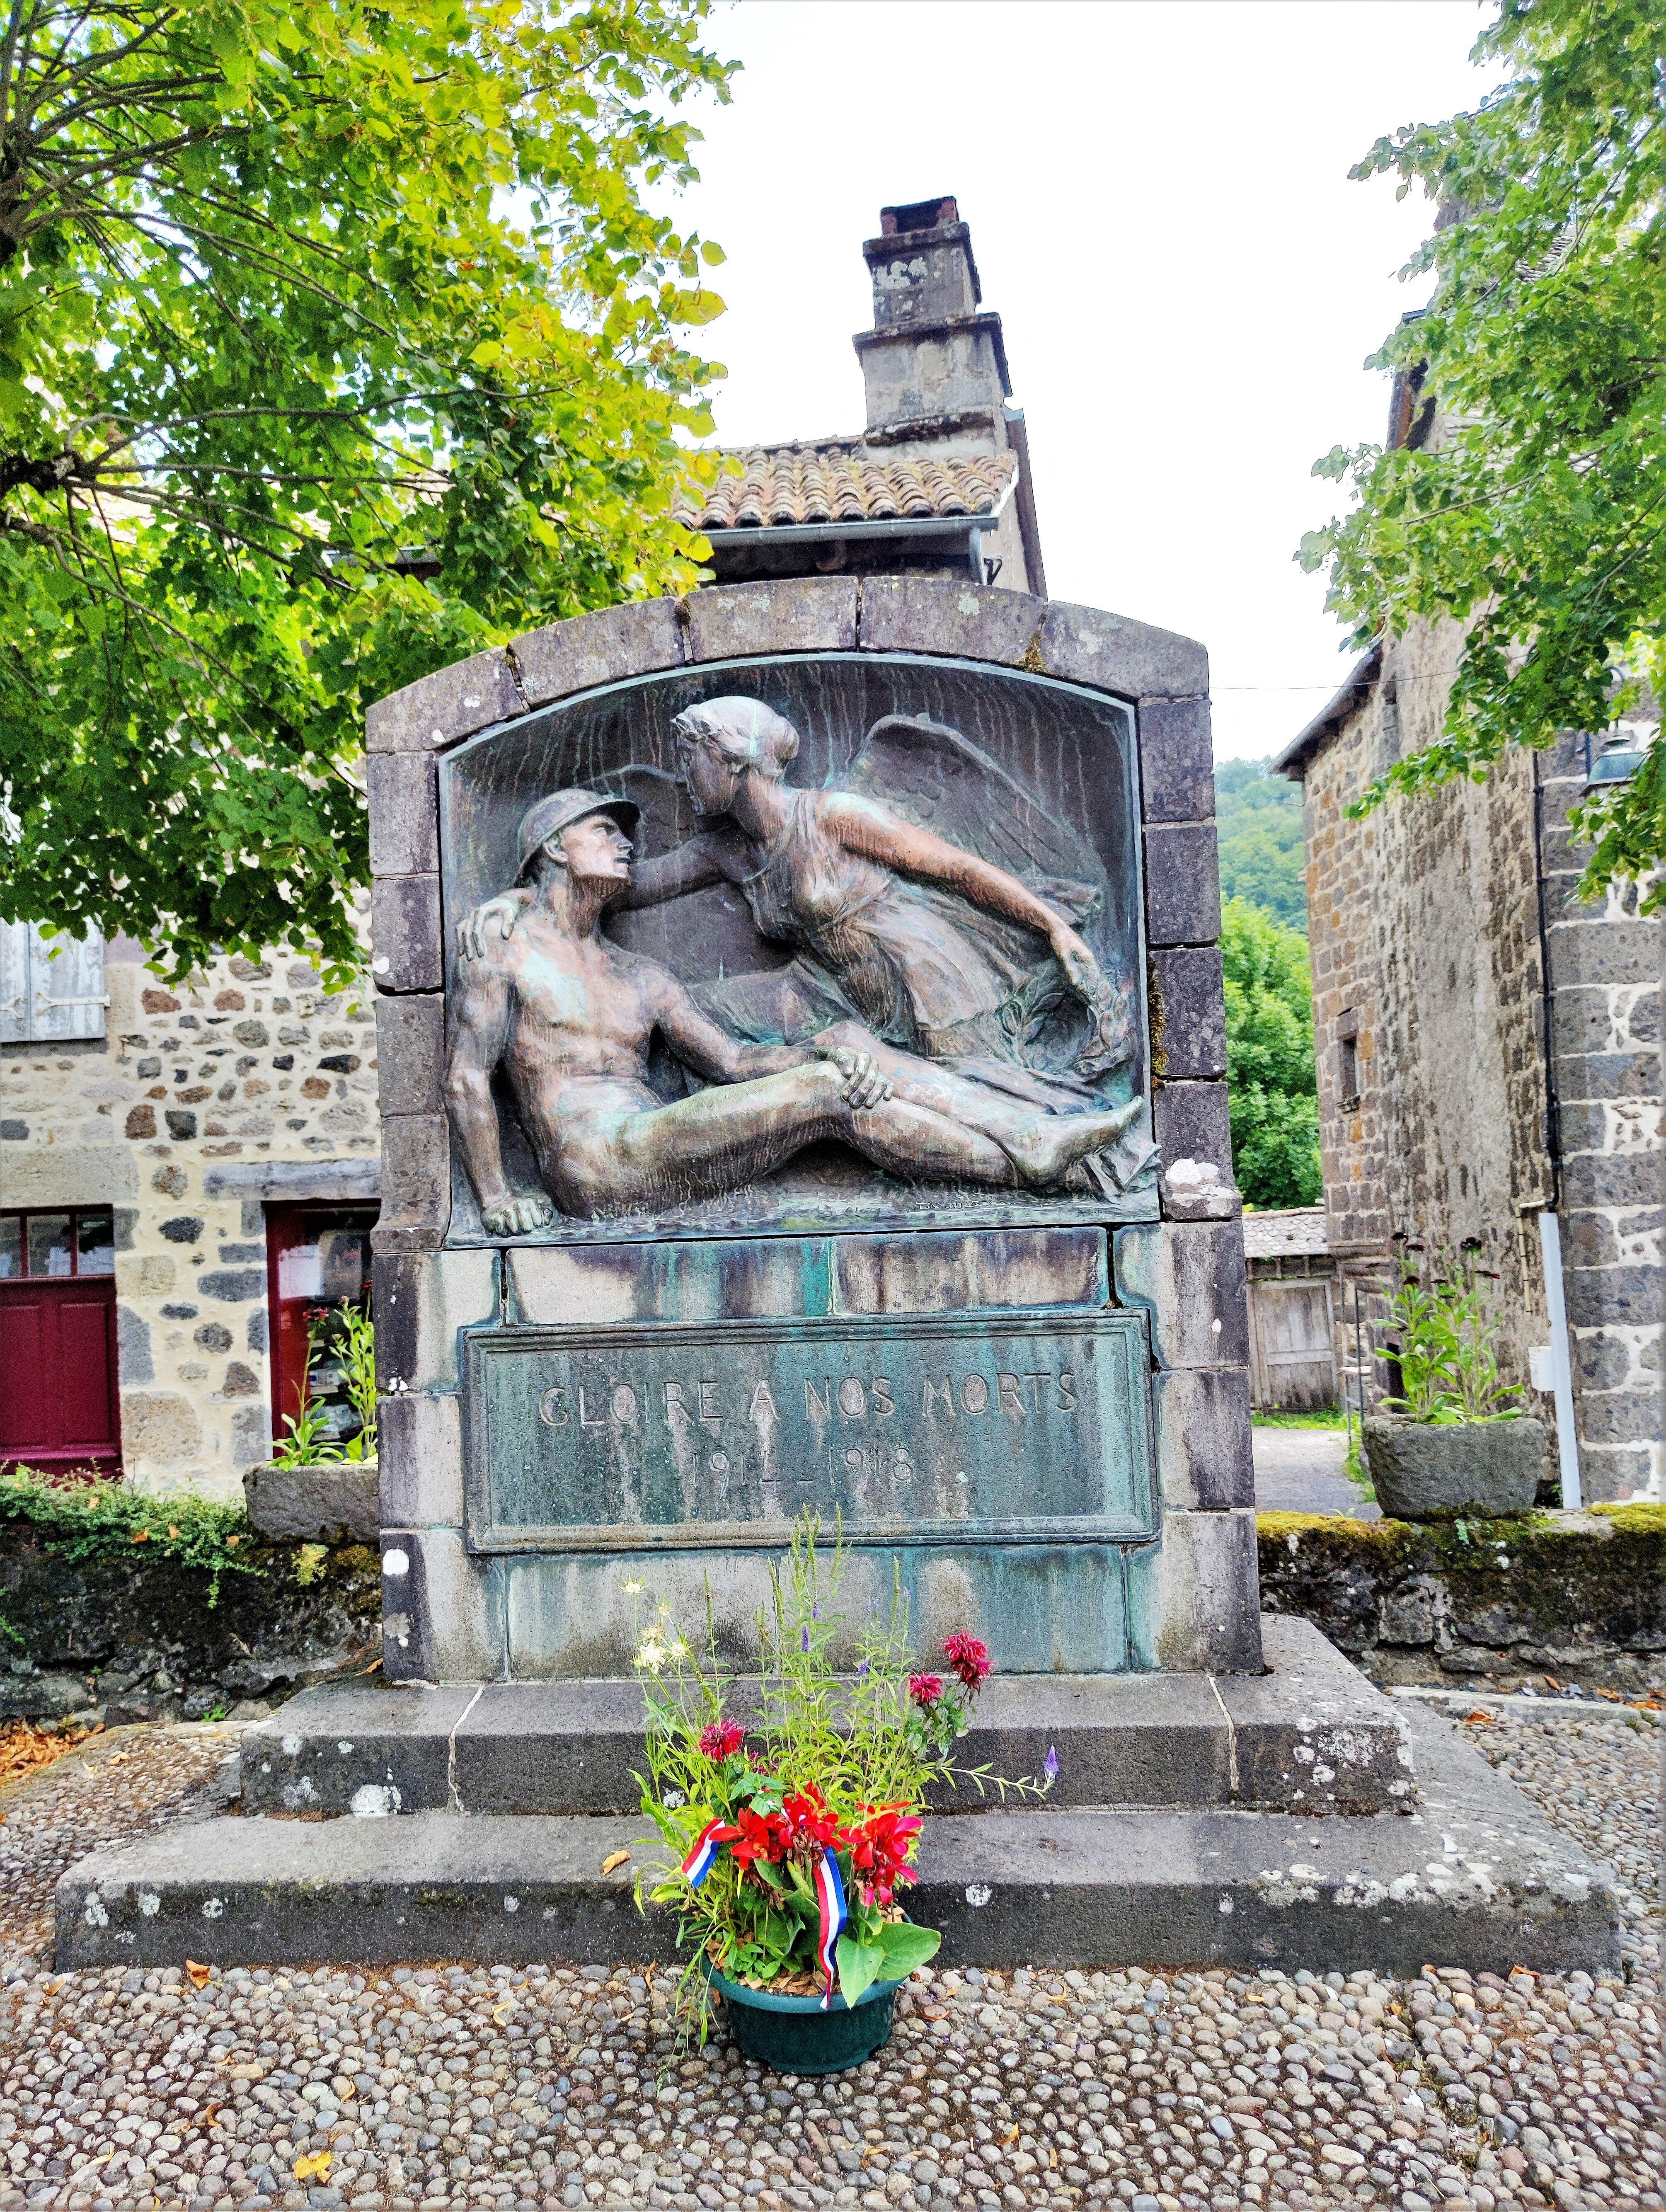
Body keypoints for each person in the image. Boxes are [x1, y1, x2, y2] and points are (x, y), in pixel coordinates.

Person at [443, 789, 1143, 1229]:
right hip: (592, 1162)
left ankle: (1046, 1154)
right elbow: (467, 1077)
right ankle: (1028, 1144)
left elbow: (735, 1061)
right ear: (552, 851)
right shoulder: (501, 953)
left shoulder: (642, 976)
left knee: (844, 1057)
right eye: (603, 830)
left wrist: (828, 1052)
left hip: (658, 1143)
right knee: (831, 1087)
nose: (625, 843)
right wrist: (499, 1196)